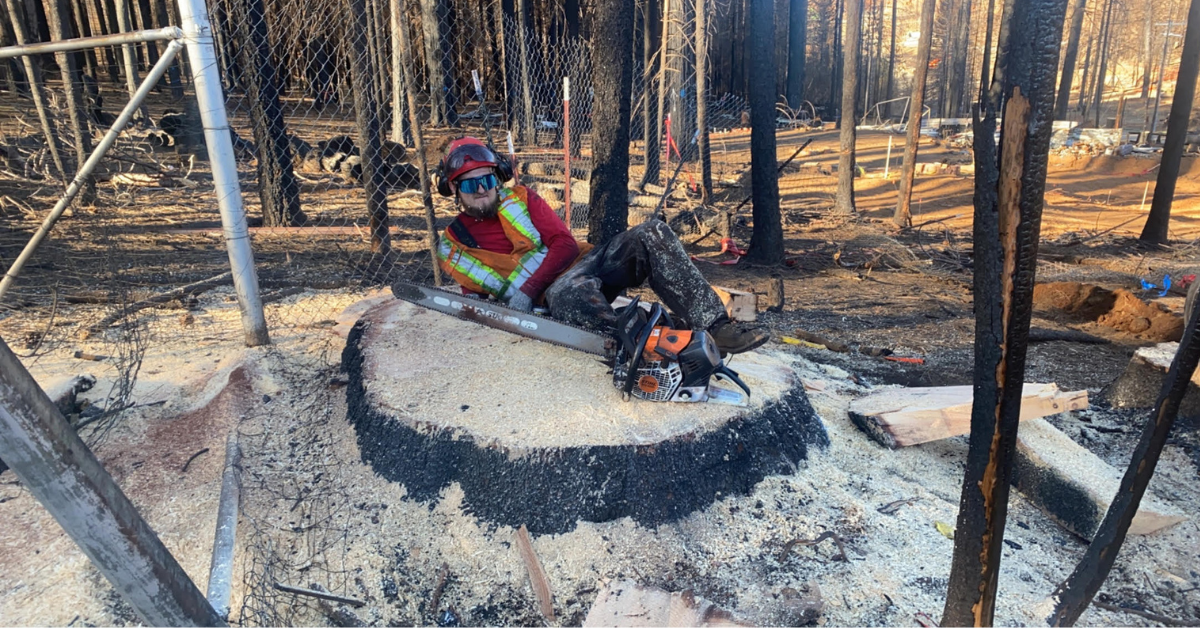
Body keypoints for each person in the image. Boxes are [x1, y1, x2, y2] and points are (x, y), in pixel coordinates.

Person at [434, 137, 768, 355]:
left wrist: (528, 288)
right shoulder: (453, 247)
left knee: (651, 232)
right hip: (553, 301)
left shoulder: (521, 199)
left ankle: (715, 326)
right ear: (454, 189)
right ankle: (646, 341)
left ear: (498, 177)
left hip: (584, 264)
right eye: (471, 183)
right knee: (566, 295)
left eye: (488, 179)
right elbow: (474, 299)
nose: (482, 189)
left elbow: (563, 244)